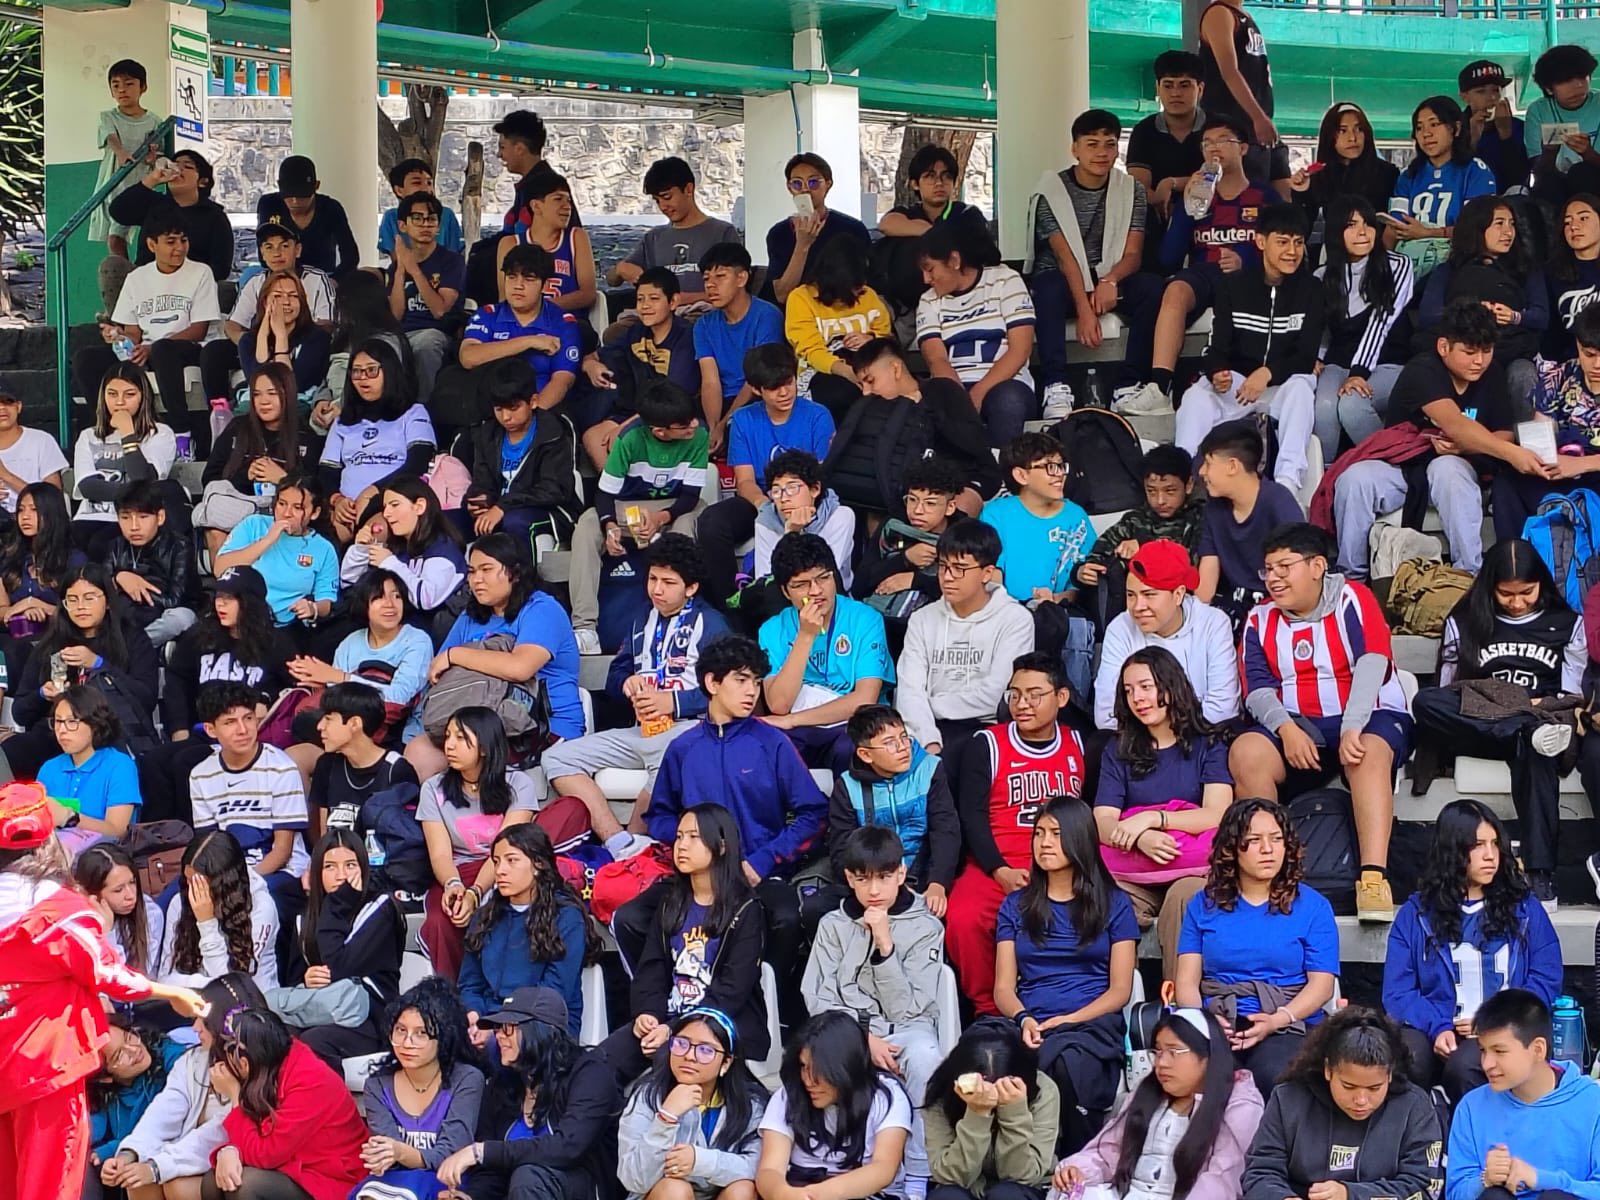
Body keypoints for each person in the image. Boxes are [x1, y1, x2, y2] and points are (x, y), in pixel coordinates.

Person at [0, 783, 207, 1200]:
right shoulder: (57, 907)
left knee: (9, 1178)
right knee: (50, 1181)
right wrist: (169, 993)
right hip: (48, 1063)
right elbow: (105, 972)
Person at [625, 636, 827, 1007]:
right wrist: (690, 841)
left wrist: (763, 861)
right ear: (712, 683)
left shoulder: (772, 743)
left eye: (756, 682)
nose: (752, 692)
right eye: (741, 680)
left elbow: (813, 813)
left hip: (758, 874)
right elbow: (658, 817)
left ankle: (770, 1010)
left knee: (785, 919)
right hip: (696, 880)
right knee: (629, 918)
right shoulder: (683, 748)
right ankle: (668, 1002)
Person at [1232, 523, 1411, 921]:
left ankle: (1373, 879)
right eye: (1268, 569)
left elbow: (1373, 662)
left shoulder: (1352, 598)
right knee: (1246, 752)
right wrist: (1286, 730)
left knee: (1366, 752)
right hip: (1299, 725)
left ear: (1316, 567)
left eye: (1284, 567)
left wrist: (1352, 726)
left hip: (1367, 716)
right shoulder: (1259, 619)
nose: (1274, 578)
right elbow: (1256, 689)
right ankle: (1269, 878)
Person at [1410, 541, 1585, 904]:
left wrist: (1534, 711)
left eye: (1526, 592)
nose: (1517, 602)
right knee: (1425, 702)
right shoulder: (1464, 621)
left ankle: (1539, 875)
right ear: (1490, 586)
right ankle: (1517, 726)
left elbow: (1571, 695)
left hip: (1542, 731)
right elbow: (1450, 690)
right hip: (1482, 728)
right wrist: (1518, 709)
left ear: (1542, 584)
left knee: (1536, 751)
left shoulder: (1567, 625)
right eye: (1506, 594)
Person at [1332, 300, 1550, 581]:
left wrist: (1468, 446)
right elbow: (1455, 424)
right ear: (1444, 347)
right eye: (1469, 352)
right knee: (1354, 479)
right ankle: (1352, 578)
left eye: (1486, 351)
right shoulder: (1423, 370)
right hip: (1404, 466)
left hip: (1458, 470)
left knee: (1447, 467)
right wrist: (1511, 453)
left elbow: (1504, 430)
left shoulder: (1492, 372)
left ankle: (1467, 574)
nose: (1479, 361)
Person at [545, 535, 729, 856]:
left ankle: (634, 846)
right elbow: (616, 673)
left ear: (691, 587)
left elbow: (728, 691)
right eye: (653, 579)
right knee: (556, 758)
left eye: (668, 583)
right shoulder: (643, 618)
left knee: (671, 756)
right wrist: (627, 683)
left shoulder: (711, 623)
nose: (657, 589)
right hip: (641, 730)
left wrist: (672, 702)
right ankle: (619, 843)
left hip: (692, 730)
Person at [1384, 800, 1562, 1102]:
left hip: (1504, 1028)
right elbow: (1398, 992)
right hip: (1437, 1024)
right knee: (1407, 1058)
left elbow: (1546, 977)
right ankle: (1423, 1127)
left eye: (1494, 844)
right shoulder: (1416, 914)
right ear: (1452, 850)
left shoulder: (1525, 909)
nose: (1491, 855)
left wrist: (1495, 1019)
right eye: (1478, 845)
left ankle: (1476, 1130)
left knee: (1466, 1066)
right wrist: (1438, 1027)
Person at [803, 825, 944, 1191]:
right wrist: (862, 1038)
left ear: (901, 873)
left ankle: (918, 1173)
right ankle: (836, 1166)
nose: (874, 890)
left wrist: (885, 947)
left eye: (884, 877)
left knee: (924, 1056)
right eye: (863, 879)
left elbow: (909, 1009)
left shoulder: (926, 926)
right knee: (814, 1057)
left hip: (907, 1029)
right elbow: (817, 997)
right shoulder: (833, 925)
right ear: (850, 878)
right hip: (846, 1031)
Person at [993, 797, 1137, 1155]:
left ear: (1079, 838)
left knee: (1068, 1062)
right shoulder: (1015, 905)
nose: (1044, 843)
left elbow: (1120, 989)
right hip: (1029, 1020)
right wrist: (1024, 1018)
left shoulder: (1115, 903)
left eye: (1056, 834)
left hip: (1090, 1023)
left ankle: (1075, 1164)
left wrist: (1070, 1019)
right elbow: (1003, 988)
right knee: (982, 1052)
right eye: (1039, 833)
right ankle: (1012, 1166)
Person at [947, 653, 1089, 1016]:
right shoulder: (987, 743)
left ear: (1061, 697)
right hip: (996, 862)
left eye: (1034, 695)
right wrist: (999, 870)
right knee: (964, 917)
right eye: (1015, 694)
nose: (1022, 704)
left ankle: (1062, 1007)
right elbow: (972, 817)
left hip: (1061, 864)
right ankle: (989, 1012)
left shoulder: (1079, 744)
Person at [1174, 798, 1339, 1099]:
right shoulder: (1203, 904)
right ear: (1232, 848)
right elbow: (1186, 982)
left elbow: (1322, 985)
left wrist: (1278, 1019)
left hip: (1288, 1022)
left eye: (1276, 839)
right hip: (1219, 1019)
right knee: (1199, 1075)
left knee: (1275, 1074)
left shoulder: (1314, 906)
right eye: (1253, 840)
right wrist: (1205, 1022)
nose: (1267, 849)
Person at [1118, 115, 1277, 419]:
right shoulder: (1195, 197)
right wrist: (1186, 207)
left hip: (1250, 278)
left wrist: (1246, 258)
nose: (1214, 148)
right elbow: (1168, 259)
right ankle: (1159, 387)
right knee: (1176, 289)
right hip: (1204, 274)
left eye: (1223, 141)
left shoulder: (1264, 196)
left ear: (1243, 148)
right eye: (1207, 143)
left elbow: (1283, 249)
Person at [601, 805, 770, 1082]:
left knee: (664, 1071)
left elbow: (732, 991)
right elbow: (652, 968)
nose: (681, 845)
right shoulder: (671, 901)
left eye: (694, 837)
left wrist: (673, 1028)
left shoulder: (746, 908)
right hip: (666, 1020)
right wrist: (648, 1012)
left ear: (722, 846)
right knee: (597, 1065)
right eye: (679, 836)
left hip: (719, 1027)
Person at [1095, 648, 1234, 980]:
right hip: (1135, 870)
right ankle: (1117, 1001)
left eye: (1146, 687)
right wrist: (1140, 839)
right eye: (1128, 691)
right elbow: (1102, 821)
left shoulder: (1208, 743)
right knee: (1102, 899)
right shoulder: (1118, 749)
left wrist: (1153, 819)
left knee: (1183, 899)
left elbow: (1217, 813)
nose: (1137, 699)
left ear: (1170, 686)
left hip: (1193, 870)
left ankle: (1179, 1001)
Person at [1174, 202, 1324, 495]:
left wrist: (1267, 373)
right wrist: (1217, 372)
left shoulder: (1312, 289)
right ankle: (1185, 479)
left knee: (1302, 390)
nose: (1292, 251)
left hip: (1282, 385)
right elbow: (1217, 347)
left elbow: (1306, 356)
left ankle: (1287, 485)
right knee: (1196, 398)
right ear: (1261, 241)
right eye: (1282, 242)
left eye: (1298, 242)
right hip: (1240, 385)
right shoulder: (1233, 286)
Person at [409, 532, 584, 779]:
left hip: (541, 726)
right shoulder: (471, 616)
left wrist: (456, 655)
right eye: (472, 571)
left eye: (486, 569)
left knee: (475, 755)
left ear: (516, 572)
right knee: (419, 752)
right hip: (477, 725)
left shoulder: (542, 609)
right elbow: (439, 672)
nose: (476, 580)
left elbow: (520, 668)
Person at [1027, 108, 1161, 416]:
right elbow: (1065, 258)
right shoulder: (1050, 191)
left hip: (1108, 277)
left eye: (1109, 144)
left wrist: (1110, 281)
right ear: (1075, 149)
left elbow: (1133, 254)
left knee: (1153, 288)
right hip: (1065, 280)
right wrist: (1085, 310)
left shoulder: (1132, 190)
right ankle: (1055, 385)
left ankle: (1129, 385)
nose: (1102, 153)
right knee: (1047, 288)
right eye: (1092, 144)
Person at [1054, 1008, 1263, 1200]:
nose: (1161, 1063)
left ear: (1207, 1056)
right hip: (1128, 1194)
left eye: (1174, 1052)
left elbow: (1221, 1180)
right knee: (1068, 1192)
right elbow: (1109, 1153)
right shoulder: (1148, 1091)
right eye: (1158, 1052)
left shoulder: (1239, 1103)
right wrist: (1078, 1170)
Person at [435, 988, 622, 1200]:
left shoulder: (590, 1074)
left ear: (539, 1030)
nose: (499, 1036)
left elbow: (568, 1147)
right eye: (497, 1028)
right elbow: (492, 1172)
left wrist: (482, 1151)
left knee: (529, 1177)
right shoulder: (501, 1084)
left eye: (508, 1028)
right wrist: (471, 1197)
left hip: (581, 1191)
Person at [1241, 1008, 1443, 1200]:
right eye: (1349, 1086)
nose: (1361, 1100)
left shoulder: (1414, 1107)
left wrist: (1351, 1195)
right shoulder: (1288, 1099)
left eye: (1374, 1088)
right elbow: (1260, 1172)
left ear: (1389, 1074)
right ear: (1328, 1070)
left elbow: (1424, 1186)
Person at [570, 380, 710, 654]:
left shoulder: (699, 433)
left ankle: (680, 614)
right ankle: (585, 627)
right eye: (684, 425)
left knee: (687, 524)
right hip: (628, 506)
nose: (693, 425)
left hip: (674, 506)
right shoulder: (630, 438)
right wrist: (609, 525)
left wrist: (660, 518)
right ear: (659, 430)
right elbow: (605, 494)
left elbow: (690, 496)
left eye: (693, 419)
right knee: (587, 524)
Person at [96, 973, 264, 1196]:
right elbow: (162, 1114)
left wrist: (156, 1168)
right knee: (137, 1180)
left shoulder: (251, 1067)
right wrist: (129, 1154)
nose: (195, 1028)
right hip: (188, 1158)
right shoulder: (194, 1060)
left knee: (176, 1186)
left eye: (204, 1021)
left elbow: (215, 1135)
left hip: (240, 1160)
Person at [698, 343, 835, 607]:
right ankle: (730, 604)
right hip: (761, 500)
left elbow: (820, 475)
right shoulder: (744, 419)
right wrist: (769, 507)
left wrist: (793, 503)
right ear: (756, 389)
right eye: (774, 388)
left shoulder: (818, 415)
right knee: (711, 523)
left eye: (789, 383)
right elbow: (745, 482)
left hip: (807, 500)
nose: (784, 393)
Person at [416, 705, 544, 980]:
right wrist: (454, 886)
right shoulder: (433, 789)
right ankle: (451, 995)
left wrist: (476, 892)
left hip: (506, 868)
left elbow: (508, 848)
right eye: (448, 736)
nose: (449, 745)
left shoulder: (518, 784)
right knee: (440, 919)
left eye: (461, 738)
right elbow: (440, 855)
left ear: (484, 747)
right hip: (457, 871)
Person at [188, 681, 311, 957]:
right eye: (230, 722)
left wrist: (239, 884)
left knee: (260, 900)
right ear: (211, 729)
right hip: (225, 871)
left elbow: (282, 851)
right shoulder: (201, 774)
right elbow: (208, 846)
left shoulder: (281, 768)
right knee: (177, 899)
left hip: (279, 872)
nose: (243, 729)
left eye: (248, 718)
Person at [6, 564, 160, 782]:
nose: (81, 607)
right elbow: (20, 712)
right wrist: (42, 694)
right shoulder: (50, 644)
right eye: (72, 599)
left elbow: (146, 698)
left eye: (89, 598)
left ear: (108, 601)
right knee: (13, 749)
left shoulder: (132, 639)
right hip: (58, 735)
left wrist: (99, 665)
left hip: (110, 733)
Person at [75, 213, 219, 441]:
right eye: (171, 242)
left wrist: (151, 348)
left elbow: (199, 329)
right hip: (147, 350)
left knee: (163, 349)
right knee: (85, 359)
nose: (179, 248)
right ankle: (108, 431)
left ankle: (181, 433)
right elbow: (133, 333)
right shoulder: (137, 278)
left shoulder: (201, 272)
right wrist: (119, 336)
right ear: (152, 245)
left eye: (183, 240)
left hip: (188, 348)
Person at [1445, 988, 1600, 1200]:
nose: (1487, 1064)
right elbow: (1454, 1193)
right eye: (1483, 1051)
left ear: (1538, 1050)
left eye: (1499, 1051)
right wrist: (1484, 1180)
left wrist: (1541, 1179)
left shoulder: (1592, 1102)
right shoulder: (1471, 1107)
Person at [896, 520, 1034, 756]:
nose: (948, 577)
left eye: (959, 568)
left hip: (987, 727)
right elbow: (909, 690)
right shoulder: (922, 619)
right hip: (926, 726)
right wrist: (929, 741)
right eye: (943, 566)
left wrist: (929, 704)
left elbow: (996, 695)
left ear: (987, 573)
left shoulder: (1015, 619)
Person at [759, 533, 892, 771]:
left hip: (853, 722)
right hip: (800, 727)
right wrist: (805, 636)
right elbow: (778, 704)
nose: (816, 591)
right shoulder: (772, 630)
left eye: (823, 578)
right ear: (785, 591)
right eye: (801, 584)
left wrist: (793, 720)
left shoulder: (865, 619)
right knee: (766, 748)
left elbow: (865, 699)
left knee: (848, 749)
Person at [206, 1006, 367, 1199]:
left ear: (244, 1064)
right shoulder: (269, 1063)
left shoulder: (310, 1080)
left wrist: (235, 1099)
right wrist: (229, 1150)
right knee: (213, 1181)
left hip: (331, 1179)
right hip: (293, 1166)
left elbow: (267, 1154)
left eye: (225, 1061)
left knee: (245, 1186)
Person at [754, 1011, 912, 1200]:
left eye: (818, 1071)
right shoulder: (788, 1096)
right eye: (804, 1066)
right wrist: (785, 1194)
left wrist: (814, 1196)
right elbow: (769, 1170)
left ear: (844, 1069)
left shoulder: (887, 1097)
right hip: (798, 1191)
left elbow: (883, 1169)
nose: (808, 1081)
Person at [287, 828, 408, 1071]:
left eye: (350, 865)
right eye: (330, 866)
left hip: (371, 1017)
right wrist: (306, 980)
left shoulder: (381, 909)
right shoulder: (305, 919)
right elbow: (292, 982)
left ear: (363, 868)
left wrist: (339, 903)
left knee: (314, 1041)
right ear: (317, 873)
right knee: (280, 1034)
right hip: (322, 1010)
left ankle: (331, 1097)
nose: (341, 875)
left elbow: (339, 966)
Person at [616, 1007, 768, 1200]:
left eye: (705, 1050)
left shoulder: (749, 1105)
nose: (689, 1056)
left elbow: (758, 1168)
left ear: (726, 1062)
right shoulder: (649, 1095)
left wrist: (700, 1161)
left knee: (743, 1190)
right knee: (675, 1190)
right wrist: (666, 1118)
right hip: (661, 1195)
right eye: (681, 1043)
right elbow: (633, 1179)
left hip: (719, 1194)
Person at [823, 707, 961, 918]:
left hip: (924, 874)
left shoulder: (930, 768)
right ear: (865, 754)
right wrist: (880, 887)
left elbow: (945, 830)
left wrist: (938, 883)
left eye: (904, 737)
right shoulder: (847, 786)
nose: (902, 747)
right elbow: (843, 849)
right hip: (872, 880)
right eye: (889, 743)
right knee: (817, 908)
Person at [355, 978, 486, 1199]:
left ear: (443, 1037)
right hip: (394, 1181)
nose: (407, 1043)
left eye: (421, 1033)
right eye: (400, 1030)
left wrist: (399, 1152)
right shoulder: (377, 1086)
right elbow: (390, 1160)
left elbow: (450, 1153)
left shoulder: (467, 1079)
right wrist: (380, 1156)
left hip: (446, 1181)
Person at [461, 822, 591, 1042]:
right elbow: (470, 984)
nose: (500, 870)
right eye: (496, 861)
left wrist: (497, 1029)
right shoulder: (484, 917)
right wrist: (474, 1016)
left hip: (542, 1028)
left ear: (538, 864)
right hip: (489, 1021)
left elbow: (553, 993)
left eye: (511, 860)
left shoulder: (567, 918)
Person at [1418, 196, 1548, 415]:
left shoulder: (1526, 269)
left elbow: (1542, 316)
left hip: (1511, 351)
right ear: (1477, 228)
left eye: (1512, 224)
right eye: (1499, 223)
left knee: (1523, 375)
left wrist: (1514, 316)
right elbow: (1427, 315)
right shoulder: (1449, 271)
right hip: (1462, 353)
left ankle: (1527, 437)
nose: (1508, 232)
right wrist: (1473, 314)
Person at [843, 338, 1004, 514]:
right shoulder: (871, 408)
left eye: (870, 381)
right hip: (902, 486)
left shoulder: (942, 390)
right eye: (861, 385)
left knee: (955, 508)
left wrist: (925, 411)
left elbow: (973, 442)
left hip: (963, 477)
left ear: (896, 369)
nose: (866, 392)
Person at [1093, 542, 1239, 733]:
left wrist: (1167, 734)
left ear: (1178, 594)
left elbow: (1224, 708)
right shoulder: (1120, 628)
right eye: (1131, 595)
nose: (1138, 607)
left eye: (1149, 595)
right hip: (1139, 739)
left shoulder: (1213, 623)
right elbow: (1106, 714)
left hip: (1203, 736)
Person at [201, 220, 338, 422]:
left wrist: (285, 334)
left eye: (284, 246)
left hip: (302, 340)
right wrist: (257, 342)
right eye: (269, 247)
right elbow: (232, 325)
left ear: (297, 249)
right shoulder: (255, 281)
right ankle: (219, 415)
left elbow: (327, 324)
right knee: (214, 351)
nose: (277, 253)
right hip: (263, 340)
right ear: (262, 254)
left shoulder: (316, 279)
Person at [288, 569, 436, 757]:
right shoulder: (351, 642)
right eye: (379, 598)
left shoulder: (417, 640)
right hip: (346, 730)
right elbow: (337, 699)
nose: (390, 604)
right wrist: (319, 679)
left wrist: (339, 677)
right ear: (364, 604)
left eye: (396, 596)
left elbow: (399, 698)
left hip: (397, 735)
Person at [1312, 196, 1416, 462]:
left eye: (1368, 224)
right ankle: (1326, 478)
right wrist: (1317, 357)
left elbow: (1380, 325)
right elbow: (1321, 329)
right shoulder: (1322, 276)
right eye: (1351, 225)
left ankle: (1394, 465)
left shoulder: (1398, 265)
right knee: (1323, 408)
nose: (1363, 232)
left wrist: (1358, 373)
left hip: (1388, 363)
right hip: (1338, 363)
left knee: (1352, 405)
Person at [915, 223, 1038, 447]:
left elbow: (1020, 350)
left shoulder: (1005, 280)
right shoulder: (928, 300)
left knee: (1007, 401)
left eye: (930, 269)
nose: (925, 279)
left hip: (1006, 384)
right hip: (954, 388)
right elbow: (936, 359)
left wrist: (978, 395)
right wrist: (961, 402)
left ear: (954, 260)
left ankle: (1001, 467)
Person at [923, 1020, 1059, 1200]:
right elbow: (949, 1177)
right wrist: (977, 1114)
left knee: (1007, 1195)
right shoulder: (941, 1090)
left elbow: (1023, 1177)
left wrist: (1013, 1111)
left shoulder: (1043, 1090)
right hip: (963, 1186)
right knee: (947, 1196)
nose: (989, 1094)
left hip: (1023, 1190)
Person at [320, 339, 438, 543]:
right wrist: (337, 500)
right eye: (356, 372)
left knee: (374, 534)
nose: (363, 378)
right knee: (325, 540)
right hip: (347, 508)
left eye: (371, 370)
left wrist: (374, 493)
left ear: (389, 372)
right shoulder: (343, 421)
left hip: (392, 502)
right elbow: (327, 472)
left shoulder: (413, 412)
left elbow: (418, 463)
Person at [196, 362, 318, 558]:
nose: (264, 401)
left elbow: (316, 492)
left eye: (272, 393)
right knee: (215, 531)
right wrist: (245, 476)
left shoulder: (306, 437)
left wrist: (283, 480)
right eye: (257, 394)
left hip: (280, 516)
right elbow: (210, 478)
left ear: (287, 394)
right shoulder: (237, 428)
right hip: (237, 512)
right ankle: (227, 579)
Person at [458, 356, 583, 545]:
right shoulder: (487, 434)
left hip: (550, 511)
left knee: (515, 521)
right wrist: (479, 500)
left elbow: (553, 489)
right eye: (499, 409)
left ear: (533, 402)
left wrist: (503, 506)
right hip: (500, 508)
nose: (506, 417)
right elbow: (482, 481)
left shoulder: (553, 431)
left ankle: (518, 566)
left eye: (513, 408)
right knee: (449, 521)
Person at [586, 267, 702, 468]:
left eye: (654, 299)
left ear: (673, 302)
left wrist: (625, 428)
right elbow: (595, 355)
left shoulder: (686, 337)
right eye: (640, 299)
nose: (645, 306)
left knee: (621, 440)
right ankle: (616, 487)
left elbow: (674, 396)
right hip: (636, 410)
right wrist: (590, 365)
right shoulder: (636, 332)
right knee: (594, 438)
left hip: (673, 416)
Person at [1505, 304, 1600, 533]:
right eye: (1589, 354)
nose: (1597, 365)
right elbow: (1542, 436)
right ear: (1578, 345)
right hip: (1564, 469)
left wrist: (1582, 464)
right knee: (1507, 482)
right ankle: (1516, 552)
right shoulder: (1557, 378)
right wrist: (1539, 460)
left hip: (1591, 469)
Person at [1074, 445, 1204, 612]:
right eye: (1152, 491)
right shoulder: (1135, 520)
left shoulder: (1200, 519)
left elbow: (1191, 566)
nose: (1160, 500)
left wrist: (1144, 550)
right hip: (1129, 608)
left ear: (1189, 485)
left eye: (1170, 491)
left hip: (1181, 608)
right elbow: (1098, 554)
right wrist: (1082, 572)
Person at [69, 362, 179, 557]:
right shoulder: (89, 436)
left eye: (129, 394)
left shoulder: (161, 434)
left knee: (101, 544)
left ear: (143, 397)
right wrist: (132, 492)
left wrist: (127, 433)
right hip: (89, 516)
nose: (119, 402)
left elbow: (144, 479)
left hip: (133, 520)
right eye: (112, 394)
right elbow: (88, 487)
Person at [459, 244, 582, 417]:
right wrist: (529, 341)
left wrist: (529, 419)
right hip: (490, 413)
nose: (518, 286)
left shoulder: (563, 323)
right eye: (511, 277)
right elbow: (468, 357)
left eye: (529, 279)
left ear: (545, 285)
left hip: (542, 412)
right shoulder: (487, 315)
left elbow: (562, 382)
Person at [214, 472, 340, 639]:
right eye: (281, 504)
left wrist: (313, 608)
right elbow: (220, 569)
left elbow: (326, 600)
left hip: (286, 628)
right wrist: (267, 541)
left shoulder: (324, 549)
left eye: (297, 508)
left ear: (314, 513)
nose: (286, 513)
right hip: (239, 621)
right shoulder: (254, 524)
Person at [155, 828, 281, 993]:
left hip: (252, 1003)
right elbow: (165, 978)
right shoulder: (179, 902)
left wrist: (206, 924)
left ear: (222, 882)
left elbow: (232, 989)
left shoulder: (261, 907)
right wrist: (202, 984)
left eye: (199, 883)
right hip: (194, 1001)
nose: (192, 890)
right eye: (187, 880)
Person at [981, 432, 1096, 612]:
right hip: (1004, 613)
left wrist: (1053, 600)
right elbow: (990, 573)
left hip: (1059, 614)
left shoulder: (1076, 516)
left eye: (1061, 466)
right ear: (1021, 475)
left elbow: (1079, 585)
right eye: (1050, 467)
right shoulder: (996, 514)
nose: (1060, 474)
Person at [852, 457, 967, 634]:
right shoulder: (893, 526)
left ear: (950, 507)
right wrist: (905, 559)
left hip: (935, 630)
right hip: (878, 623)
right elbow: (860, 586)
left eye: (930, 503)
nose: (918, 510)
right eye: (912, 500)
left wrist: (915, 580)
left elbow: (969, 591)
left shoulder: (964, 535)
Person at [1387, 97, 1497, 278]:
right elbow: (1394, 228)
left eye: (1434, 124)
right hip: (1410, 264)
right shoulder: (1408, 175)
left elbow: (1479, 229)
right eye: (1419, 128)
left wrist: (1428, 233)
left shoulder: (1476, 171)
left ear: (1456, 128)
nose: (1426, 134)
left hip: (1460, 263)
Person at [612, 156, 743, 306]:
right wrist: (620, 269)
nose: (663, 206)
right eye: (657, 200)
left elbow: (737, 289)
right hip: (660, 316)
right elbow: (611, 280)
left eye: (667, 197)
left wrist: (684, 299)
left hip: (707, 314)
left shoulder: (722, 233)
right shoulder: (653, 238)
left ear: (688, 189)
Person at [304, 678, 421, 845]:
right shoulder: (327, 764)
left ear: (355, 724)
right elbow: (325, 835)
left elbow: (406, 838)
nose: (320, 726)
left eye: (328, 719)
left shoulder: (396, 770)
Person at [784, 237, 891, 419]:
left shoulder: (868, 295)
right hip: (823, 375)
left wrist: (872, 340)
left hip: (870, 367)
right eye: (854, 286)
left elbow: (888, 339)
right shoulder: (800, 298)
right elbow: (811, 351)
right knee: (844, 394)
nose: (860, 289)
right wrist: (848, 372)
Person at [104, 148, 233, 294]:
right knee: (112, 265)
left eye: (187, 166)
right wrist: (152, 179)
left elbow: (221, 268)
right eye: (175, 164)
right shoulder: (154, 204)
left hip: (191, 287)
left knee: (225, 290)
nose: (178, 169)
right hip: (146, 285)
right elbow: (118, 211)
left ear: (203, 181)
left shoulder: (214, 216)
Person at [340, 473, 468, 619]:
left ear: (419, 506)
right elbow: (350, 585)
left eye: (394, 505)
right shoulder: (397, 548)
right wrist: (361, 550)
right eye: (385, 507)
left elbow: (426, 599)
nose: (386, 514)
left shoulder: (444, 549)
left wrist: (389, 563)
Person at [695, 242, 786, 445]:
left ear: (742, 278)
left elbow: (757, 378)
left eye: (720, 276)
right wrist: (713, 427)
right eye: (706, 279)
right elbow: (710, 381)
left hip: (758, 396)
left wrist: (724, 424)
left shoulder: (767, 315)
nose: (710, 285)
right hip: (719, 401)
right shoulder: (704, 325)